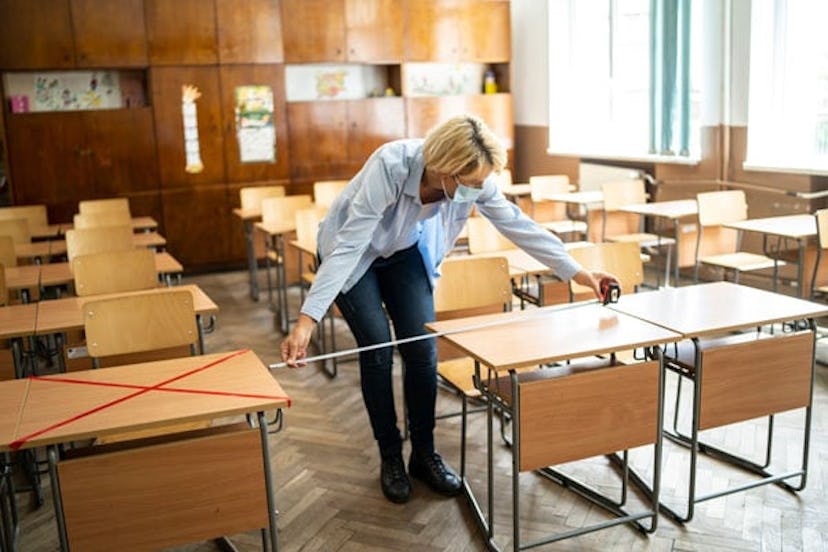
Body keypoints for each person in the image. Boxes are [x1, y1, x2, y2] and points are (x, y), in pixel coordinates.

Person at [280, 114, 619, 504]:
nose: (478, 191)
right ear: (443, 168)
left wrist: (576, 272)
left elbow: (516, 223)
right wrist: (307, 321)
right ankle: (390, 456)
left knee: (423, 350)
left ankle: (423, 453)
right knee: (376, 351)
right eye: (472, 184)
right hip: (351, 253)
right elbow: (351, 245)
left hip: (403, 248)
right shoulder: (391, 166)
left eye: (481, 183)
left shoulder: (472, 180)